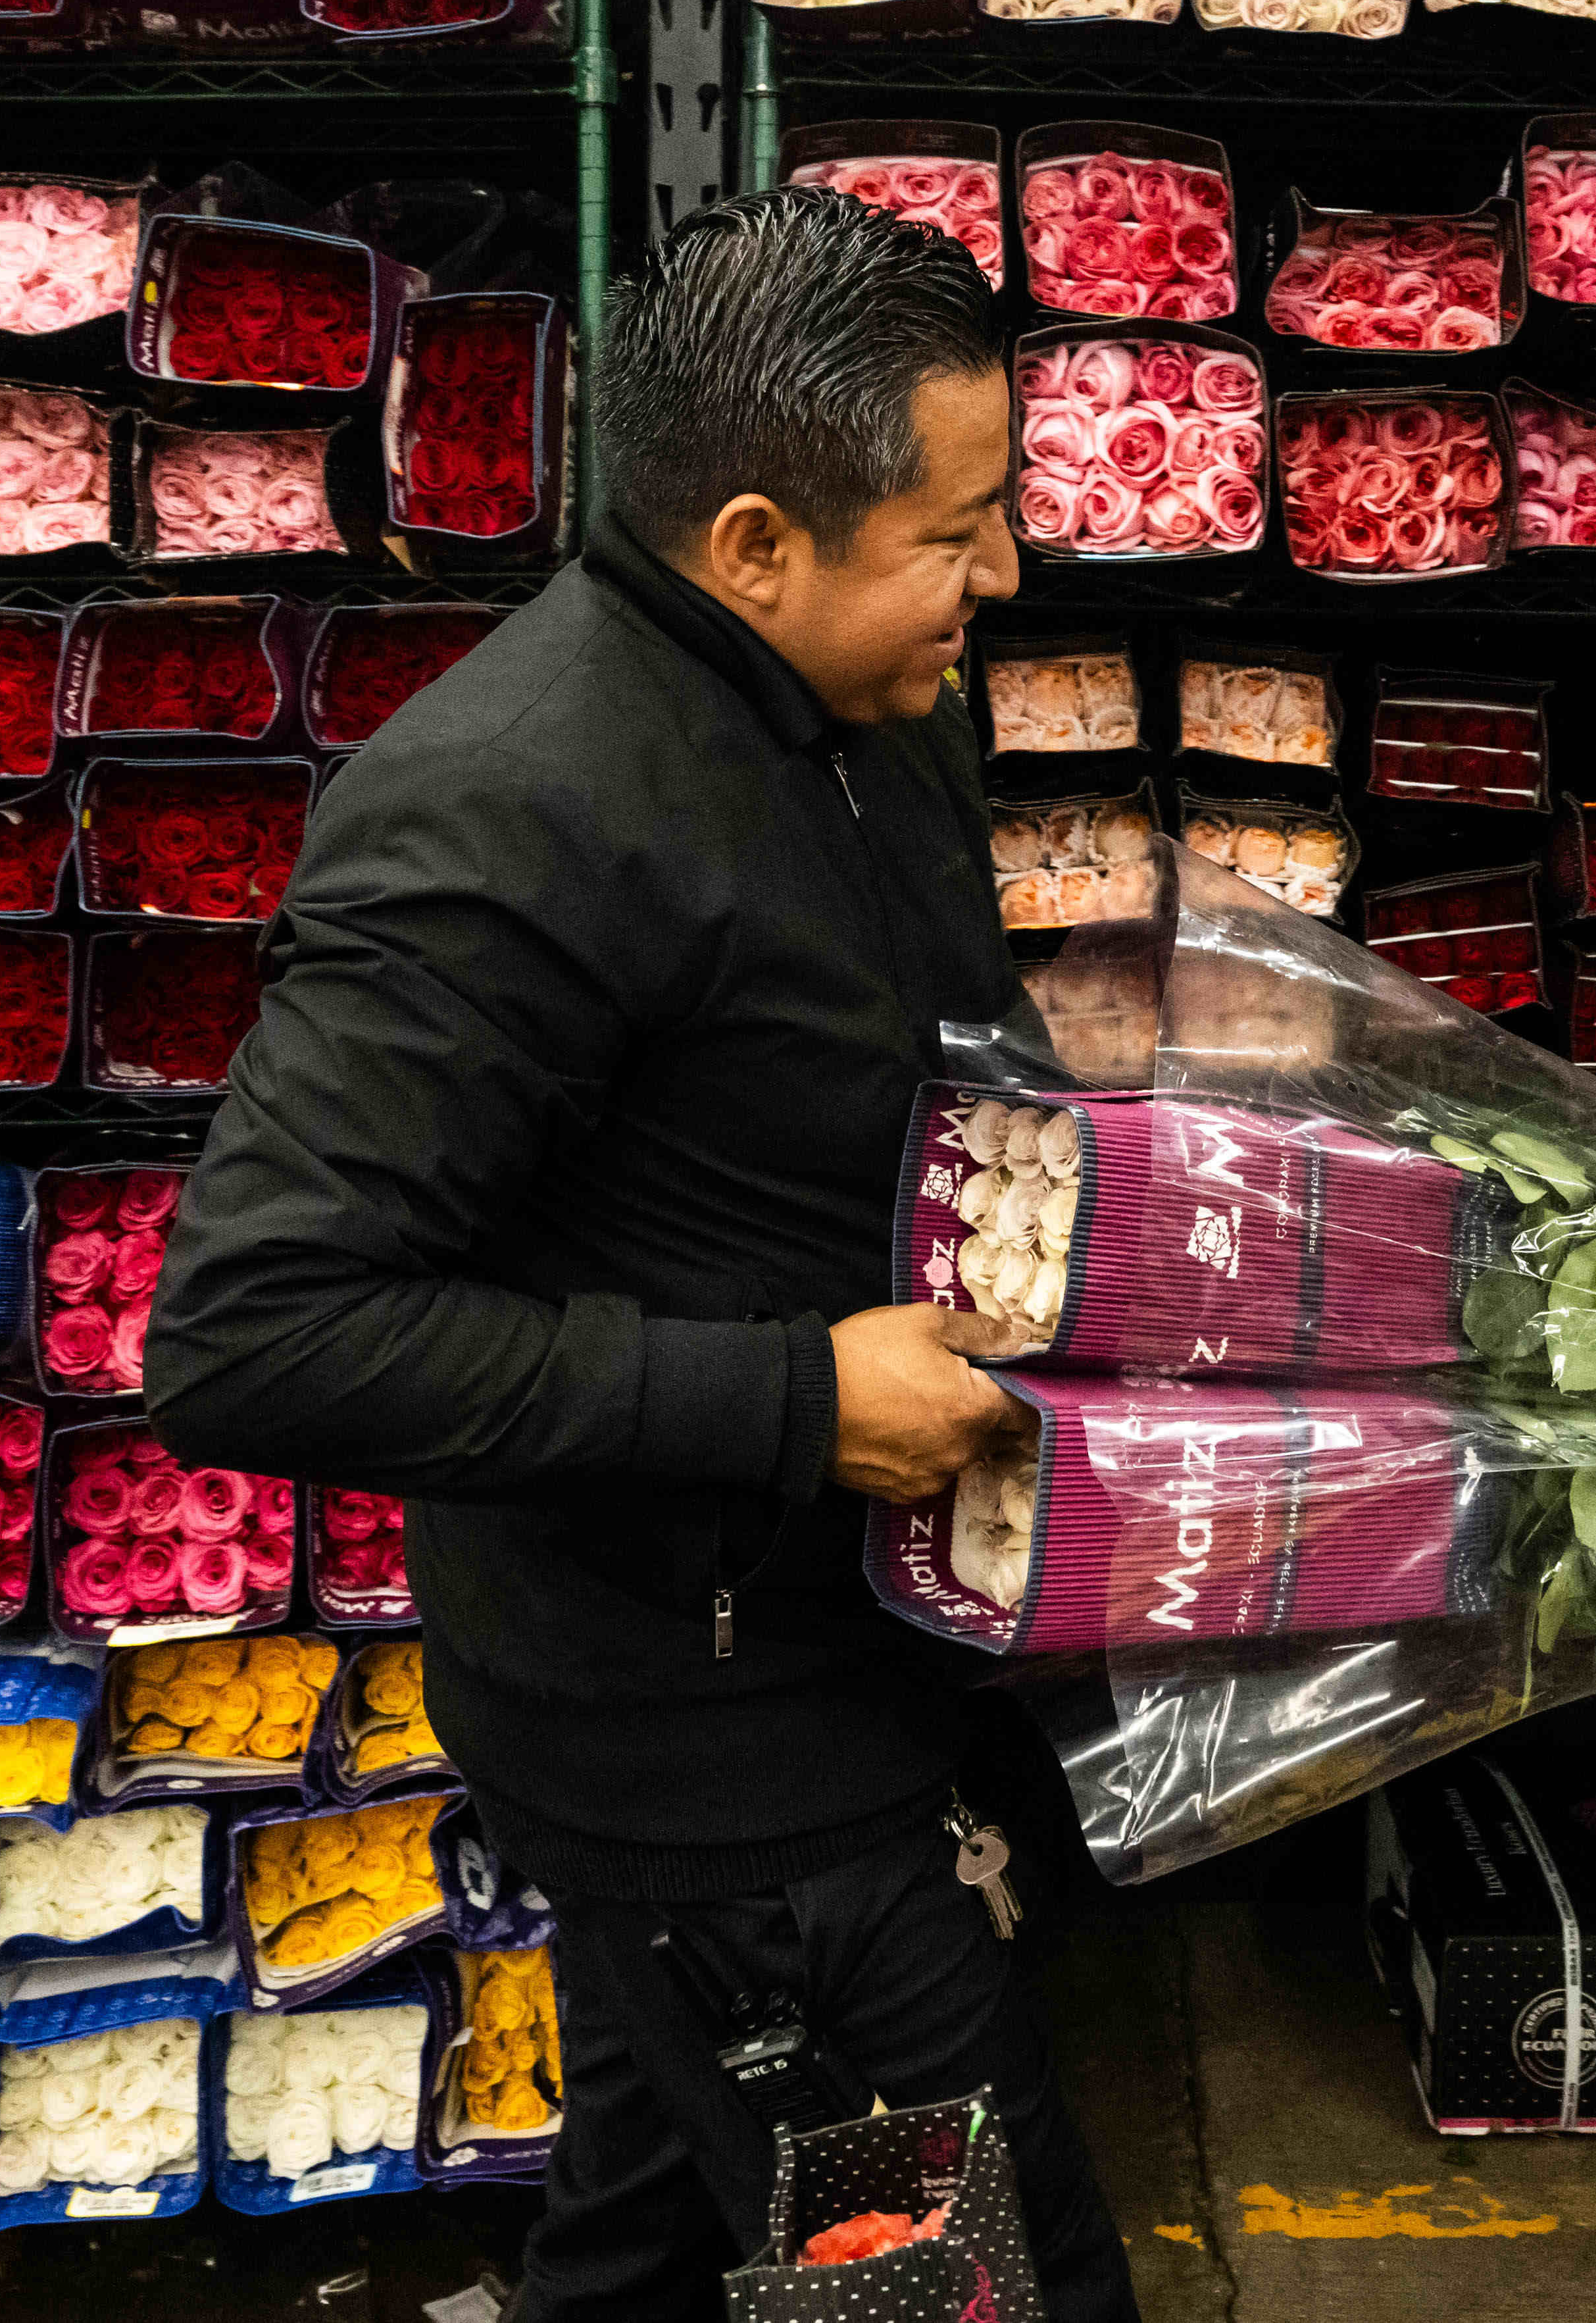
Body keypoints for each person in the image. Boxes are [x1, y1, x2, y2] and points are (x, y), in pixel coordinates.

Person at [145, 189, 1139, 2323]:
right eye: (953, 532)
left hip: (867, 1656)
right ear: (756, 542)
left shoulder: (870, 711)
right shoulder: (509, 817)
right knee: (964, 2286)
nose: (1006, 573)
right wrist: (800, 1401)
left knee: (660, 2215)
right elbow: (257, 1332)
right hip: (713, 1751)